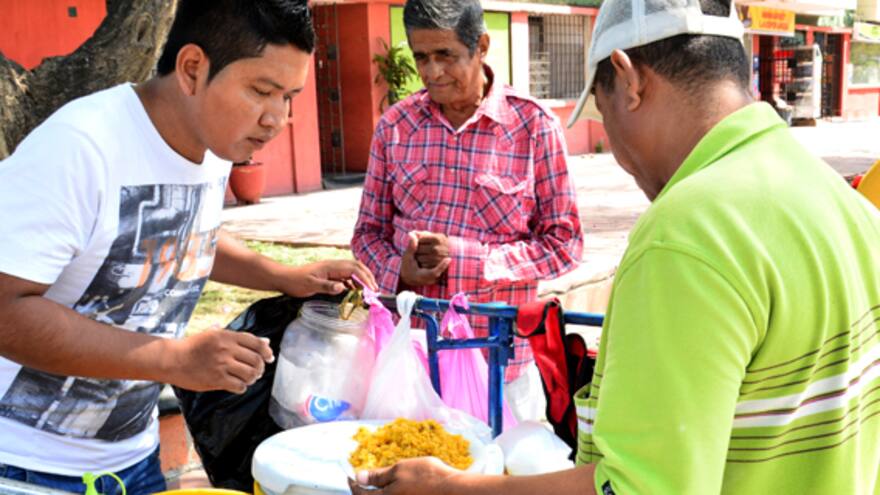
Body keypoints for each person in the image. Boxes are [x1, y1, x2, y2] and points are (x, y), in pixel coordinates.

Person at [349, 0, 880, 493]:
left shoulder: (686, 235)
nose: (621, 156)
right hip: (414, 349)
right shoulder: (846, 203)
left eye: (604, 113)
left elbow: (635, 487)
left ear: (627, 80)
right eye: (422, 58)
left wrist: (457, 490)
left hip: (500, 354)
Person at [0, 1, 376, 493]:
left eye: (289, 97)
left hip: (134, 457)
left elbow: (177, 232)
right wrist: (174, 359)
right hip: (27, 468)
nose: (277, 118)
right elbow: (6, 310)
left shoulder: (214, 142)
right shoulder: (80, 148)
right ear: (193, 68)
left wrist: (280, 275)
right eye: (262, 91)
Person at [351, 0, 583, 422]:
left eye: (446, 56)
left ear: (481, 46)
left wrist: (469, 260)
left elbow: (565, 244)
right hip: (411, 366)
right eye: (421, 57)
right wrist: (398, 269)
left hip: (501, 366)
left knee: (502, 483)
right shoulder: (395, 127)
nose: (433, 72)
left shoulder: (533, 127)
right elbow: (367, 234)